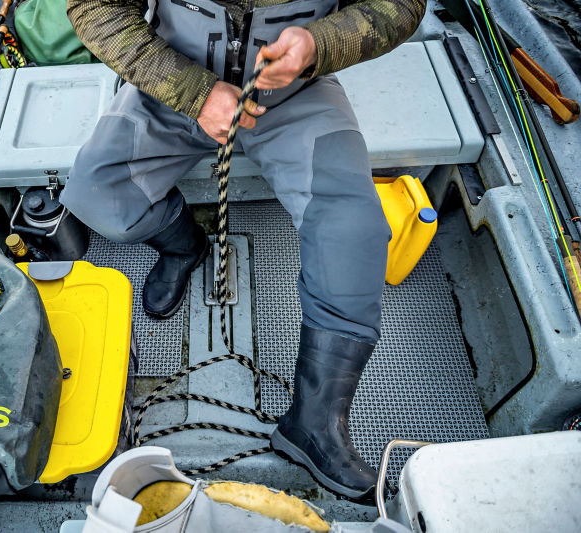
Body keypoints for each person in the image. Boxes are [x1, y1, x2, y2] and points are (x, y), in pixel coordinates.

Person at [61, 0, 426, 500]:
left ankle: (313, 425)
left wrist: (321, 44)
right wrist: (192, 92)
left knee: (356, 231)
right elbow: (94, 6)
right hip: (172, 79)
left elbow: (401, 5)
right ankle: (182, 246)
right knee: (94, 192)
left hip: (295, 95)